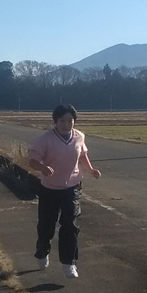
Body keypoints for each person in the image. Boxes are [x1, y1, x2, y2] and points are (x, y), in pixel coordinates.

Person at [28, 104, 101, 278]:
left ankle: (69, 262)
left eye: (70, 120)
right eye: (62, 120)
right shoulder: (45, 139)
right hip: (50, 188)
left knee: (70, 223)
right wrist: (43, 168)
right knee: (46, 224)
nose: (66, 124)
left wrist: (91, 170)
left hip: (72, 187)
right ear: (55, 122)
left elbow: (82, 155)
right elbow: (32, 160)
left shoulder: (79, 136)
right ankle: (42, 251)